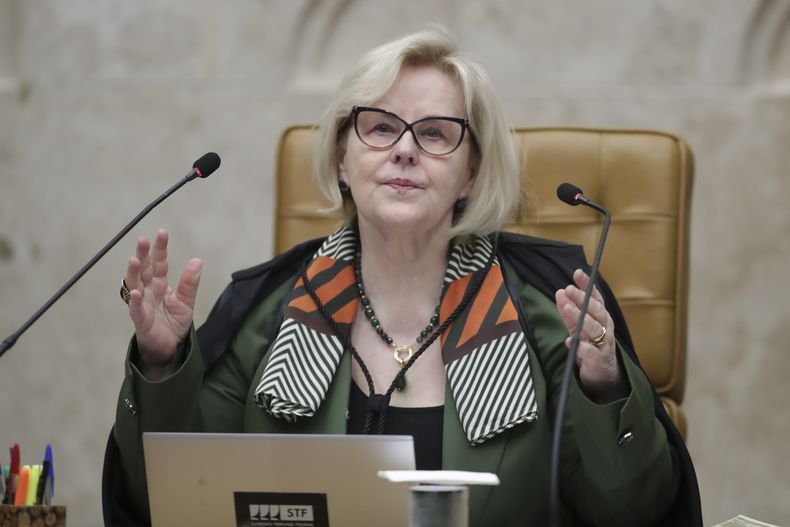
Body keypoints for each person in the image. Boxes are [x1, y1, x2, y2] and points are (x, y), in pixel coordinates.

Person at [103, 29, 702, 526]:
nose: (405, 150)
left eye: (436, 133)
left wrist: (603, 386)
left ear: (471, 173)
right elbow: (177, 501)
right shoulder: (267, 310)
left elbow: (632, 513)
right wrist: (162, 366)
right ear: (343, 158)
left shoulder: (548, 312)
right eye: (382, 127)